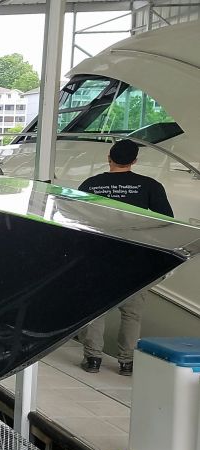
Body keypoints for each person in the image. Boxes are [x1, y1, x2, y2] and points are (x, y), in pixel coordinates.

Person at [77, 139, 173, 376]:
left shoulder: (91, 184)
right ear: (134, 161)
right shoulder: (150, 186)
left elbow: (74, 216)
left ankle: (93, 359)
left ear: (109, 158)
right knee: (131, 313)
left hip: (98, 256)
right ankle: (127, 362)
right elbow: (167, 221)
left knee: (95, 310)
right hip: (136, 259)